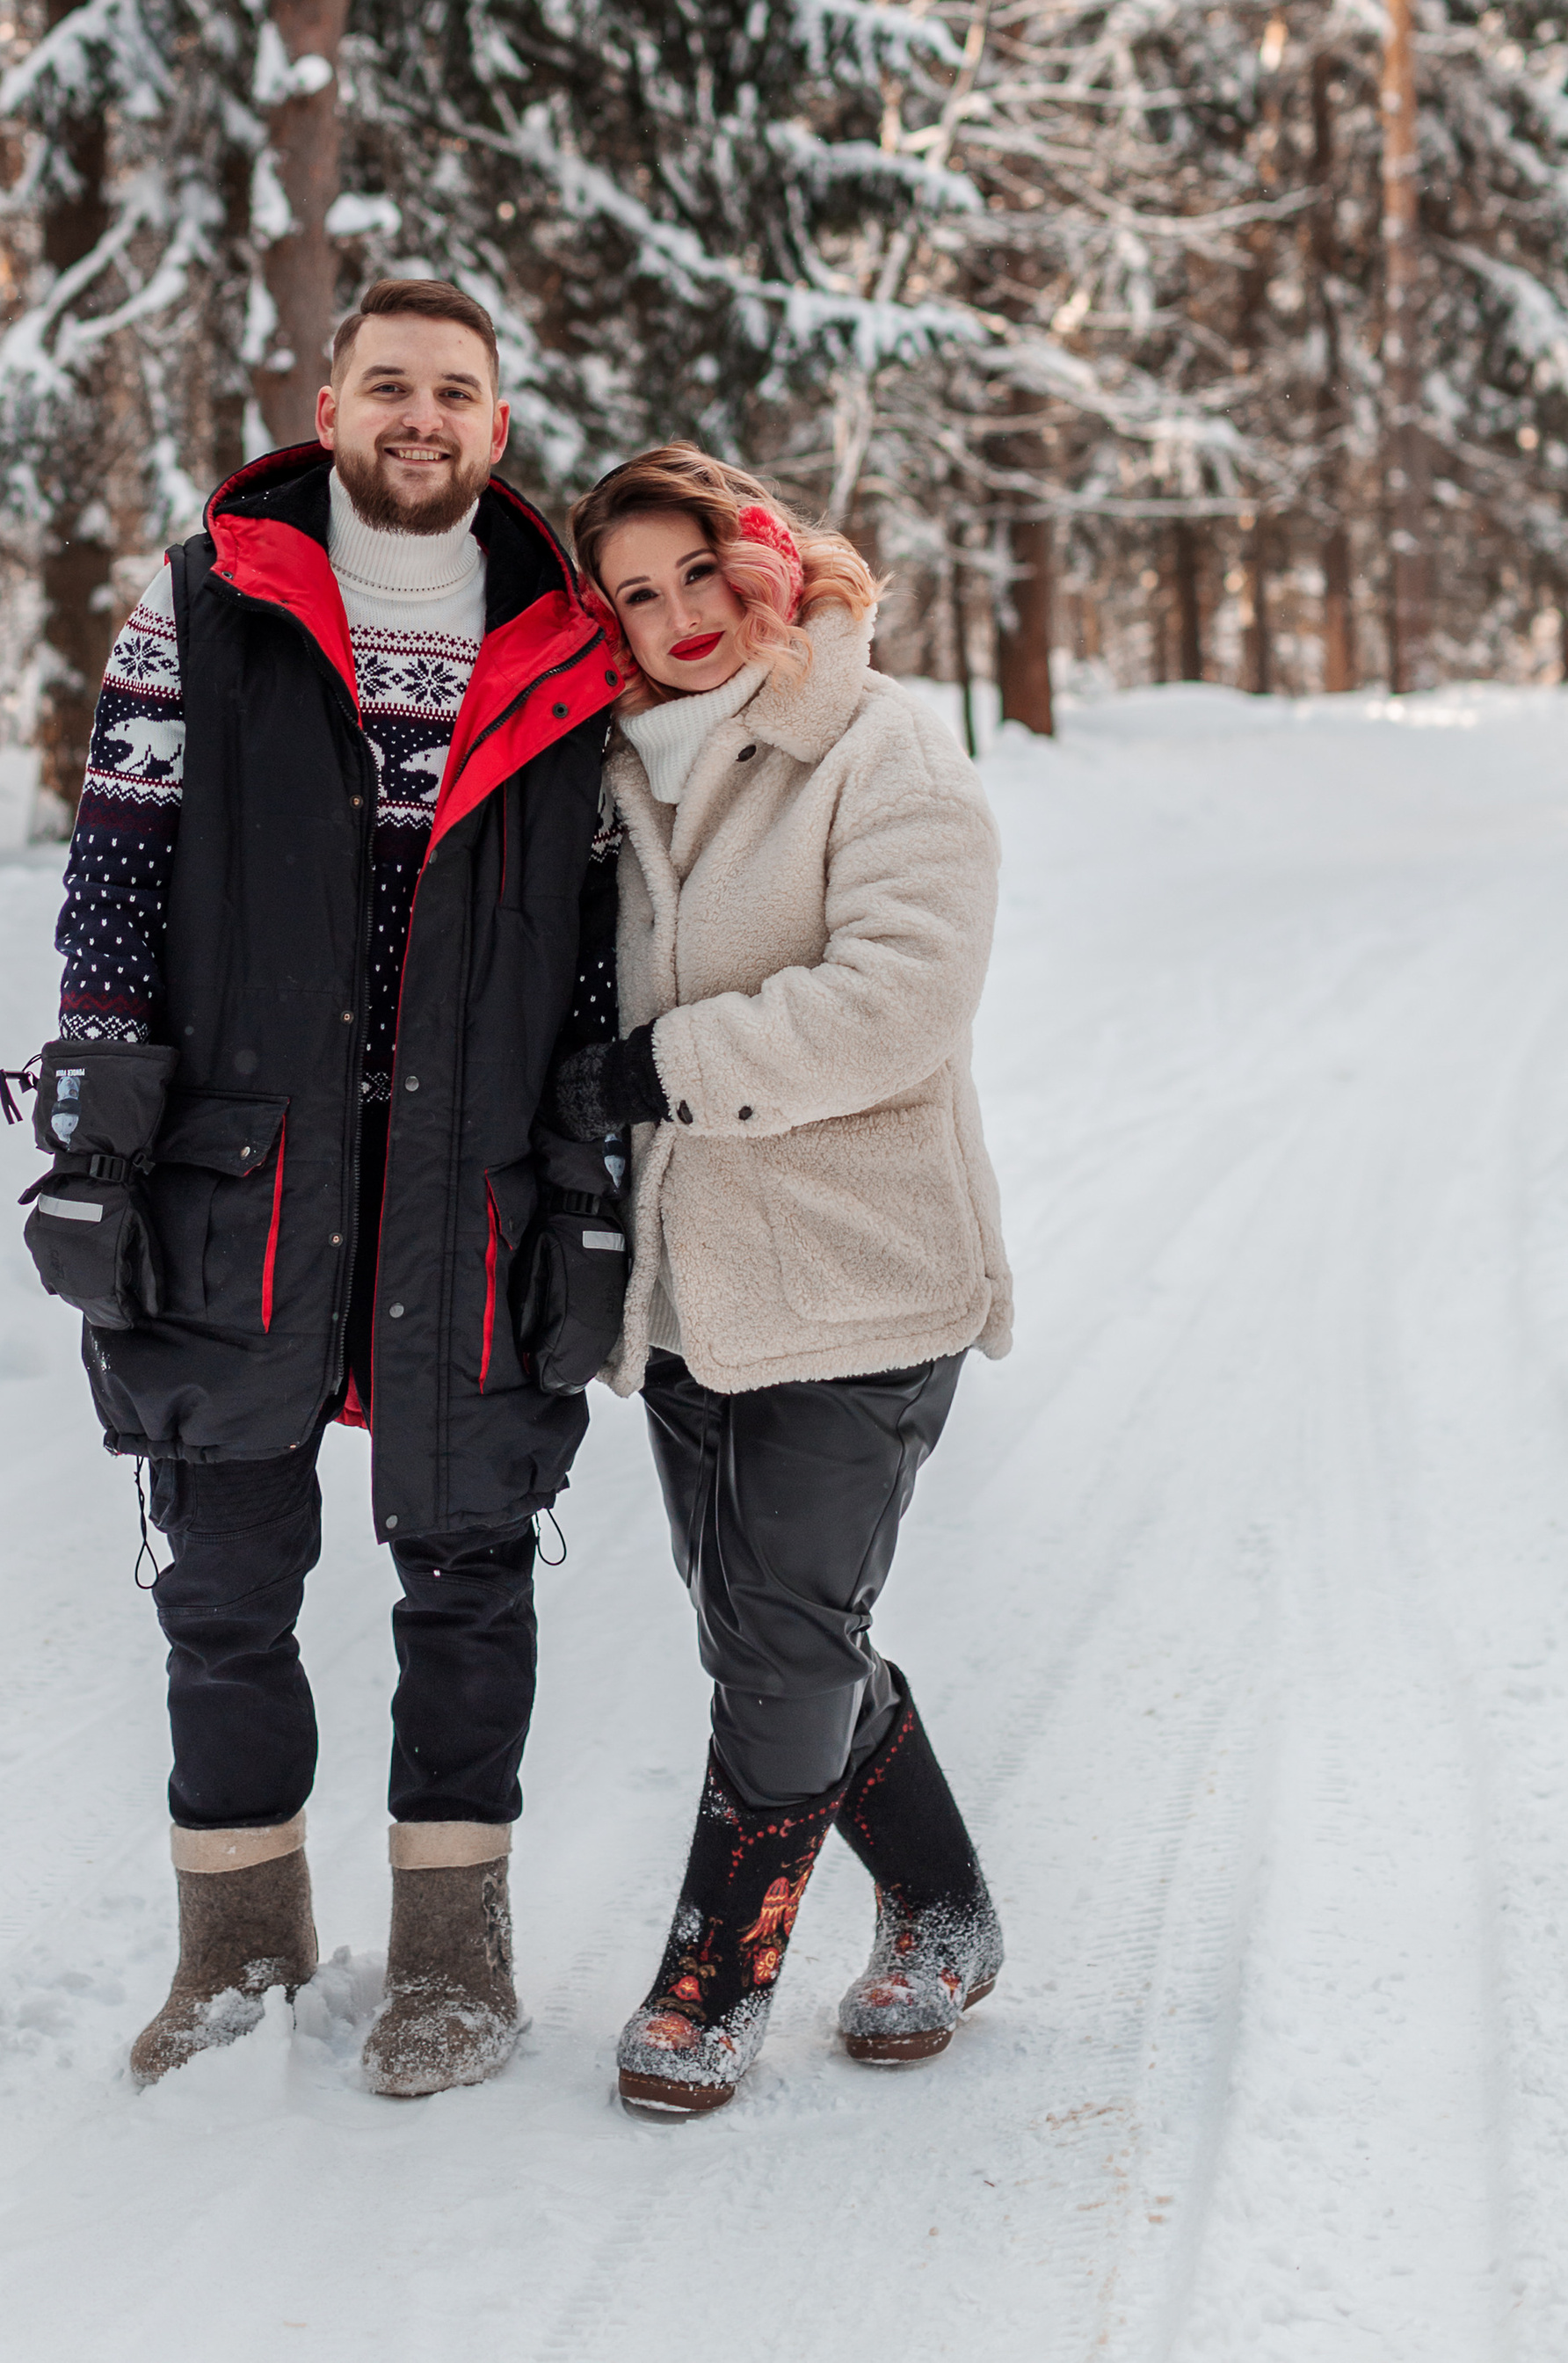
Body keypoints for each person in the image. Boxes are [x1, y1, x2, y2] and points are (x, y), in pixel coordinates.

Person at [25, 280, 626, 2097]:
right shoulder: (208, 600)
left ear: (499, 426)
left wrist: (597, 1161)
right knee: (222, 1567)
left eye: (455, 391)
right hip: (241, 1161)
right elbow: (117, 866)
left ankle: (455, 1952)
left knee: (465, 1562)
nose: (420, 416)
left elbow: (605, 932)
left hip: (477, 1173)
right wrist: (88, 1124)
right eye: (390, 386)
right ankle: (239, 1935)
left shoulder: (563, 631)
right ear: (329, 403)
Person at [546, 444, 1012, 2119]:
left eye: (695, 574)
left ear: (765, 560)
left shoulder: (880, 745)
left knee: (784, 1642)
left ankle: (716, 1971)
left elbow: (903, 994)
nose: (675, 617)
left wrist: (666, 1063)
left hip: (863, 1269)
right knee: (769, 1626)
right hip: (693, 1286)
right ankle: (946, 1913)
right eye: (634, 594)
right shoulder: (614, 775)